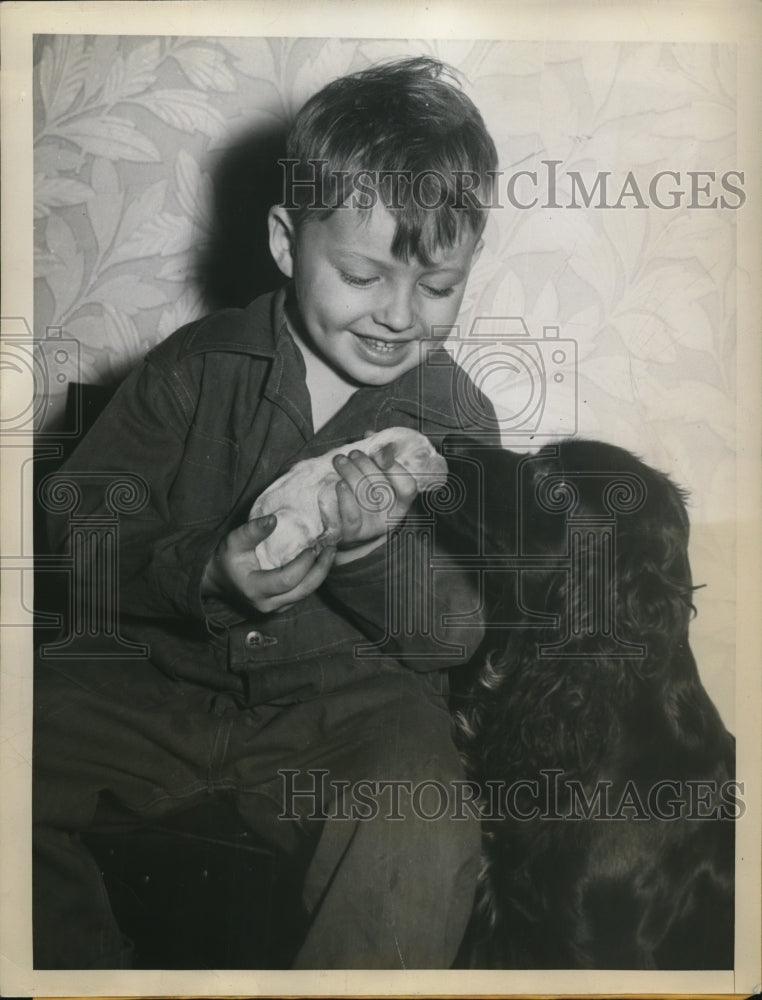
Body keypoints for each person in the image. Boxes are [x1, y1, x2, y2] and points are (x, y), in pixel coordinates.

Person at [33, 57, 499, 970]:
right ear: (289, 243)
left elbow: (455, 633)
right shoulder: (195, 366)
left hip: (345, 710)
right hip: (155, 683)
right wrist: (202, 567)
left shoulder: (455, 420)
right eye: (365, 275)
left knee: (423, 809)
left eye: (438, 287)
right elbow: (75, 533)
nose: (401, 316)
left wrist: (371, 553)